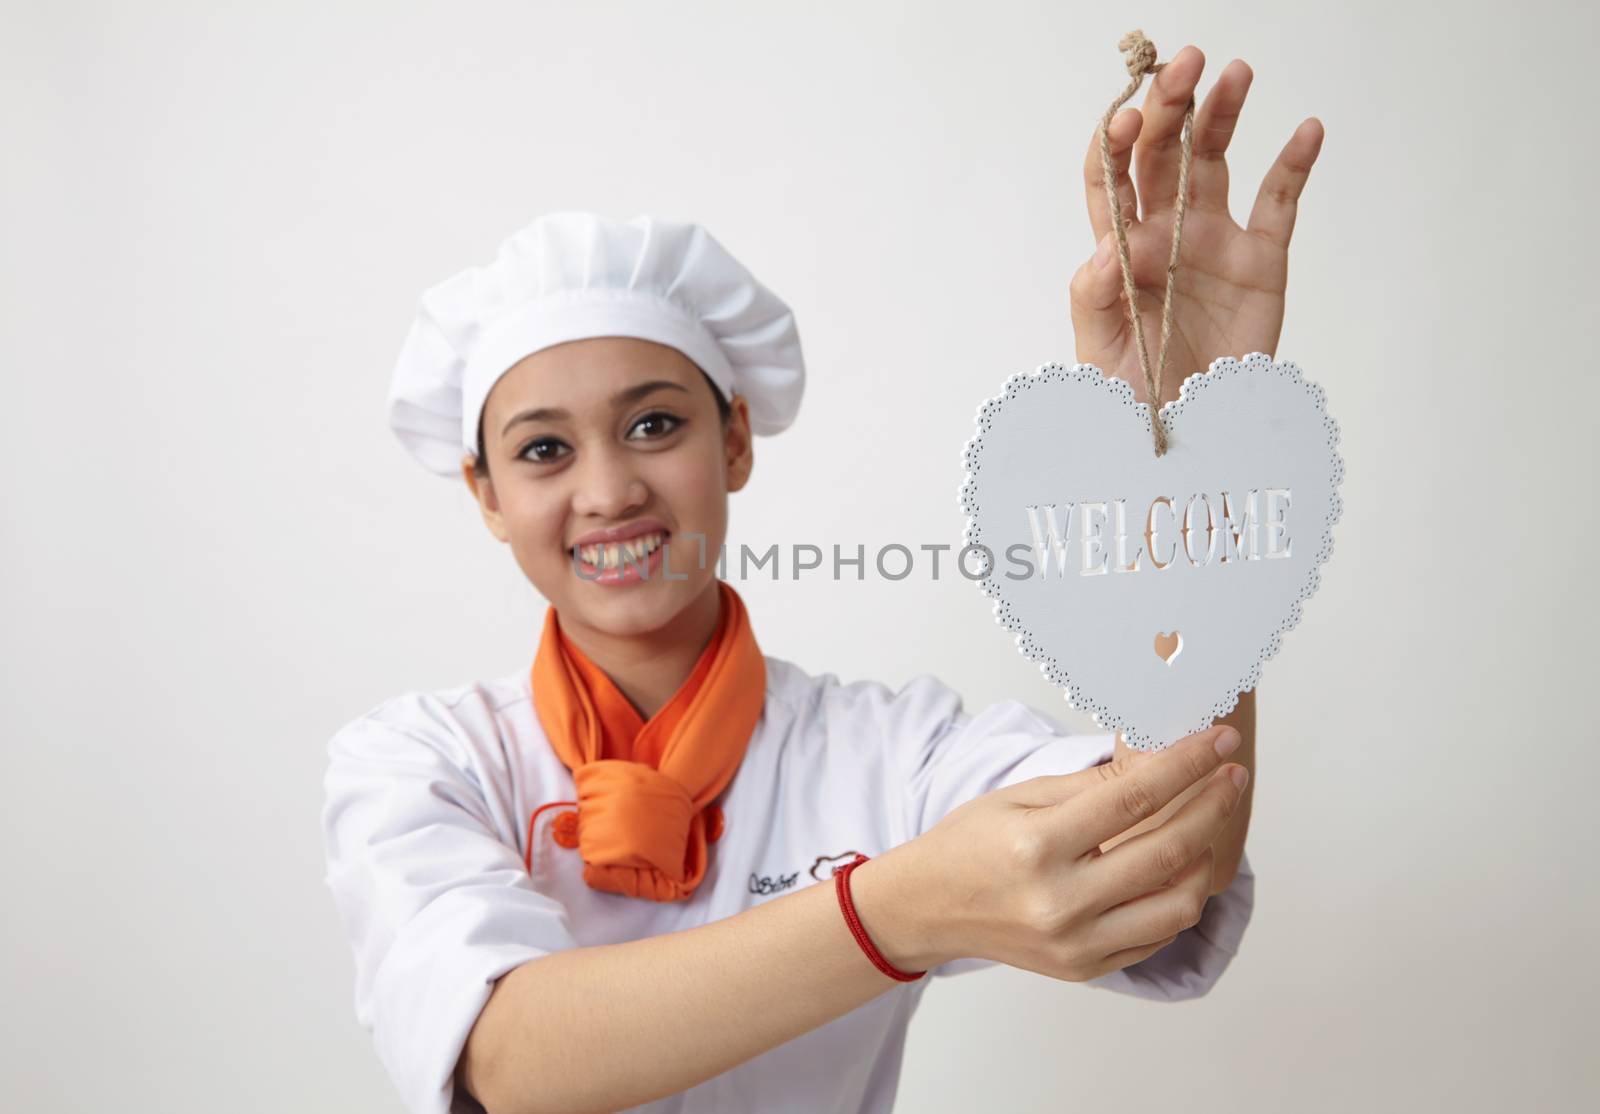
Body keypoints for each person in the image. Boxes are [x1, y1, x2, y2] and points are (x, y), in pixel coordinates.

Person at [322, 46, 1319, 1114]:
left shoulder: (890, 754)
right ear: (484, 493)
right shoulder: (425, 761)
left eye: (654, 423)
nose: (609, 489)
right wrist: (893, 909)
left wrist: (1176, 461)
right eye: (542, 451)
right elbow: (511, 1060)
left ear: (735, 439)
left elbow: (1164, 859)